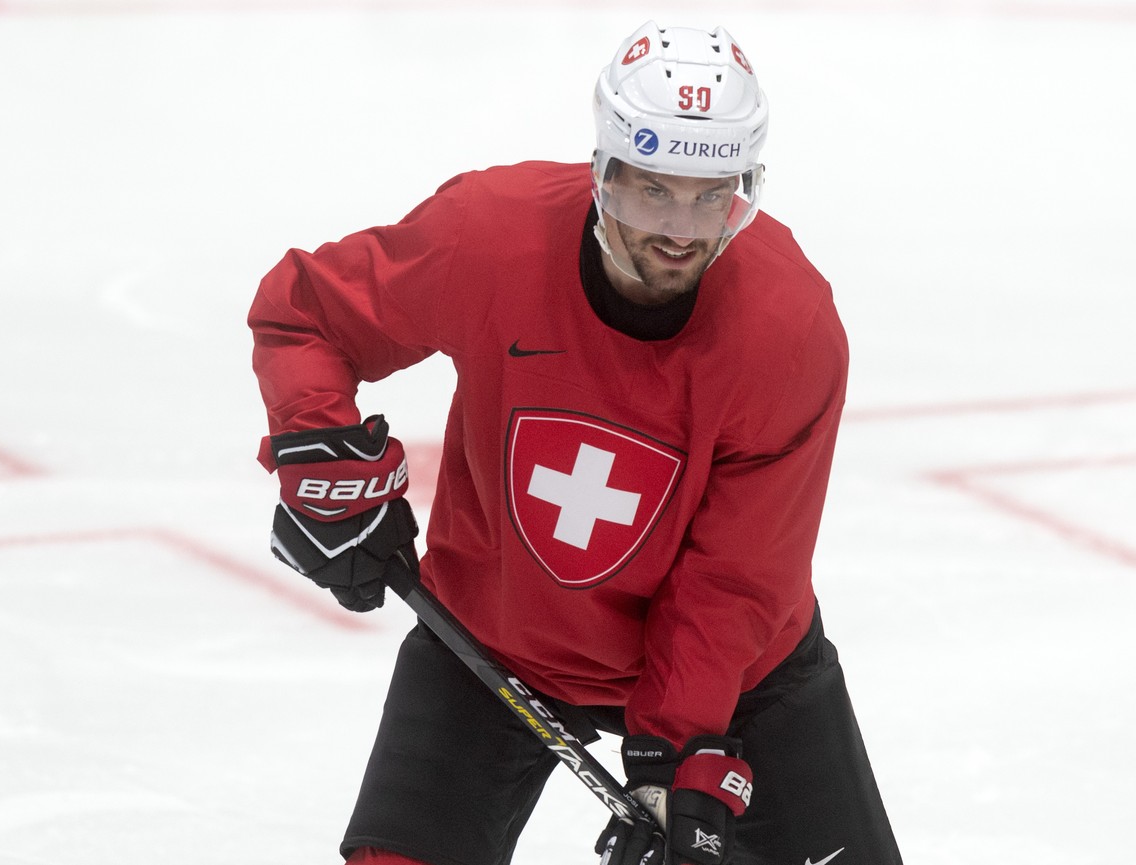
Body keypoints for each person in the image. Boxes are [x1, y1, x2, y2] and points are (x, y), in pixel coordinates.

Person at [249, 20, 902, 865]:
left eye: (713, 195)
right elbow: (307, 313)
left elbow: (735, 577)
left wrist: (672, 757)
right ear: (603, 169)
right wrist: (321, 456)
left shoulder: (788, 328)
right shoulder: (489, 239)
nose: (681, 229)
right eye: (651, 191)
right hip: (493, 642)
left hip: (738, 675)